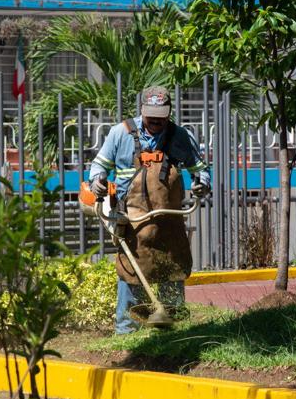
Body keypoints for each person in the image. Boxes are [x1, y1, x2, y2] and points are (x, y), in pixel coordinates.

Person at [89, 86, 210, 334]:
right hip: (132, 218)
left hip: (169, 218)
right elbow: (98, 166)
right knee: (132, 268)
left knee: (172, 265)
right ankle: (127, 331)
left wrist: (201, 184)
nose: (155, 120)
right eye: (150, 115)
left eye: (161, 115)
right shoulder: (120, 133)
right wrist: (98, 181)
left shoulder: (181, 137)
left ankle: (174, 327)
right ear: (141, 110)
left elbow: (200, 170)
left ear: (169, 112)